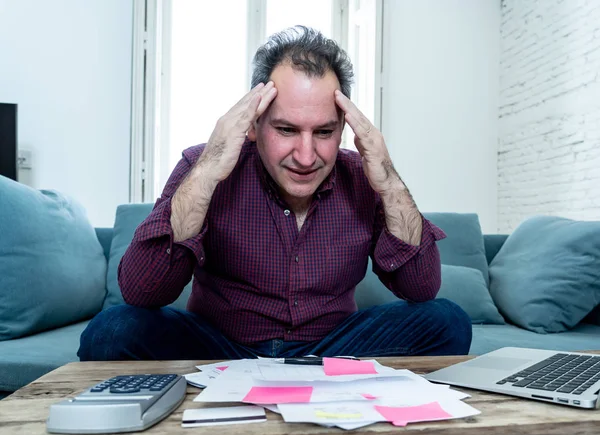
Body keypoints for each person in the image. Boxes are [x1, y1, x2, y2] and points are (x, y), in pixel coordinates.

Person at [78, 26, 471, 361]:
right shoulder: (204, 165)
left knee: (447, 320)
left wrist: (386, 177)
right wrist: (210, 168)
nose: (305, 156)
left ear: (343, 128)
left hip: (331, 350)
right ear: (253, 124)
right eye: (286, 130)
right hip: (220, 349)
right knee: (113, 331)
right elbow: (142, 291)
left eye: (323, 132)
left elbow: (421, 289)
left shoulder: (362, 176)